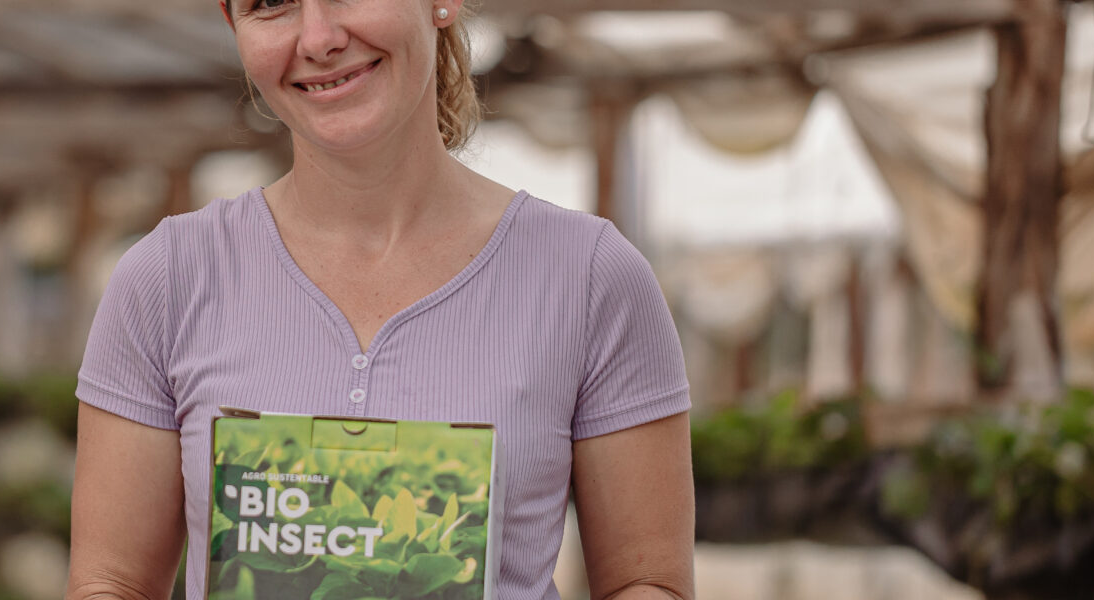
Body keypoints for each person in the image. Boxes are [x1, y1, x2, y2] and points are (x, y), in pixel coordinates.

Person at [65, 0, 694, 598]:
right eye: (269, 3)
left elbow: (648, 582)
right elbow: (111, 586)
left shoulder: (589, 278)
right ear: (232, 23)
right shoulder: (168, 278)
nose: (318, 38)